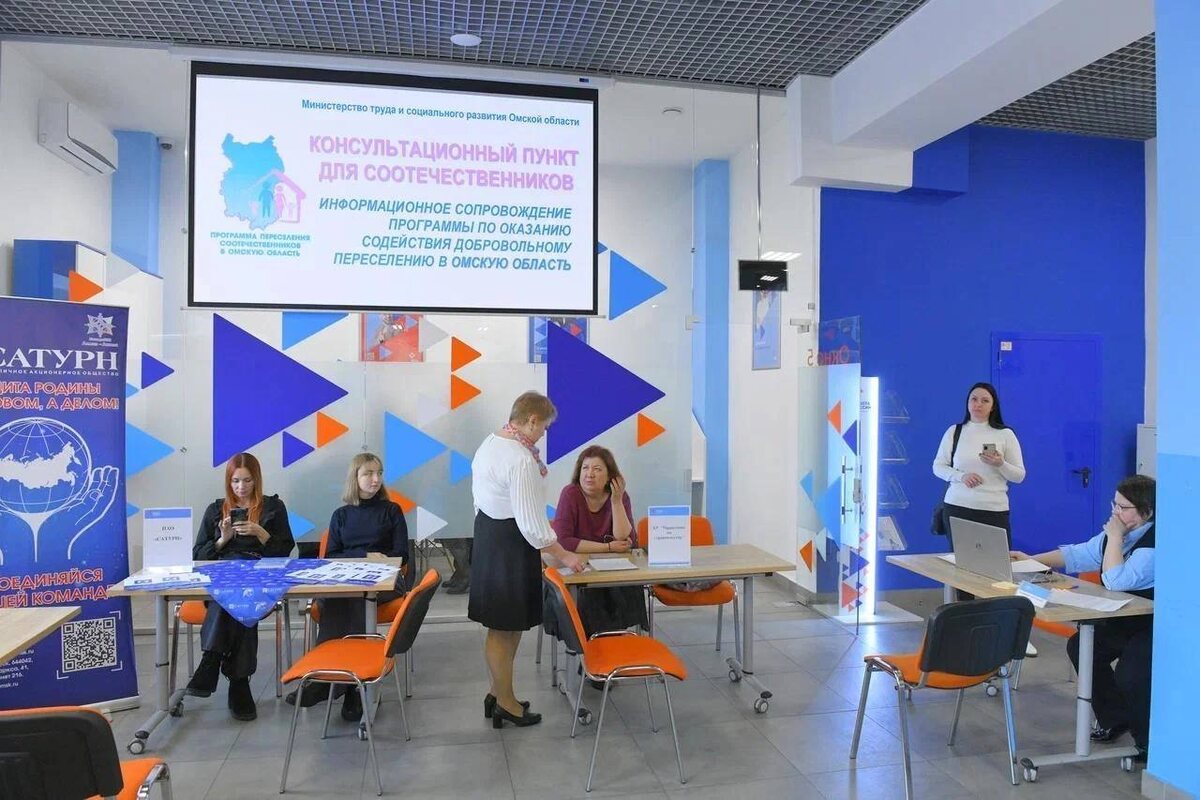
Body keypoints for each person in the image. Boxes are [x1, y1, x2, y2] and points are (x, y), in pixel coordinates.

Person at [470, 391, 585, 728]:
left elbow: (482, 500)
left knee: (504, 626)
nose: (544, 434)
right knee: (504, 629)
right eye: (544, 427)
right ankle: (506, 703)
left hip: (491, 536)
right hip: (511, 544)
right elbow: (532, 524)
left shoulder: (490, 443)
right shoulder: (520, 458)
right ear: (532, 420)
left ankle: (498, 694)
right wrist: (564, 555)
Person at [1030, 475, 1155, 765]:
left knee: (1130, 675)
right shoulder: (1120, 532)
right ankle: (1115, 718)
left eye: (1124, 507)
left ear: (1146, 512)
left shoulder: (1152, 546)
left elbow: (1115, 580)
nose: (1115, 513)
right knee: (1081, 647)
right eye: (1115, 504)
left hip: (1151, 625)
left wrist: (1115, 537)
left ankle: (1147, 743)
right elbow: (1079, 554)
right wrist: (1031, 559)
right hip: (1123, 619)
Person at [286, 452, 408, 720]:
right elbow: (331, 556)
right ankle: (344, 681)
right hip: (349, 581)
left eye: (379, 473)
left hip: (387, 582)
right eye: (368, 474)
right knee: (341, 597)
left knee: (353, 597)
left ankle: (333, 682)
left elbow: (402, 555)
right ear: (355, 477)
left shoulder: (392, 511)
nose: (375, 479)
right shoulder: (341, 515)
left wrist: (378, 560)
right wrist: (366, 556)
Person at [188, 452, 294, 721]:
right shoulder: (215, 509)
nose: (241, 487)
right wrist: (223, 539)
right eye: (235, 481)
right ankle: (239, 682)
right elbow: (198, 555)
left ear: (256, 480)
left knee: (242, 597)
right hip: (224, 575)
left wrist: (261, 533)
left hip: (259, 574)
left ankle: (211, 659)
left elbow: (285, 552)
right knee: (234, 597)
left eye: (247, 480)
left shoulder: (273, 507)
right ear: (228, 481)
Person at [552, 446, 648, 636]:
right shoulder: (570, 494)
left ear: (610, 476)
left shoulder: (620, 496)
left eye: (597, 469)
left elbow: (626, 539)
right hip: (579, 570)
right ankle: (588, 643)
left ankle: (617, 638)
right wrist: (608, 547)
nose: (590, 474)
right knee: (591, 594)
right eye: (585, 468)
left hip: (612, 571)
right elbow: (563, 541)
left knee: (626, 587)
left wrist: (616, 501)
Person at [932, 382, 1026, 549]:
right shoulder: (954, 431)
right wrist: (961, 476)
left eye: (985, 400)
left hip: (993, 509)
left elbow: (1019, 476)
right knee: (961, 561)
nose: (978, 404)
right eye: (974, 399)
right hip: (957, 507)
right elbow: (938, 466)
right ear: (967, 403)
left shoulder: (1005, 434)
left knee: (997, 561)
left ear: (993, 406)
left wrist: (1000, 464)